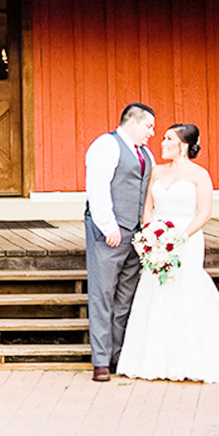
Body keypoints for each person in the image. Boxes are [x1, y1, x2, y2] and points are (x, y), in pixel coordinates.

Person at [115, 123, 219, 383]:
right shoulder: (155, 172)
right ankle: (153, 361)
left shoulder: (199, 175)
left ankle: (191, 359)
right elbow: (148, 208)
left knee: (186, 290)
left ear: (183, 145)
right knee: (155, 292)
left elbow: (204, 213)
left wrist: (180, 237)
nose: (162, 143)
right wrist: (150, 235)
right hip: (157, 239)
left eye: (168, 139)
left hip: (186, 239)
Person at [84, 101, 156, 382]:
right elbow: (98, 186)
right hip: (111, 232)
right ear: (133, 122)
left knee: (125, 296)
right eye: (149, 126)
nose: (152, 132)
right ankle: (100, 361)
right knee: (102, 294)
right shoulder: (107, 144)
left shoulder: (145, 153)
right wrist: (108, 225)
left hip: (136, 234)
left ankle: (118, 355)